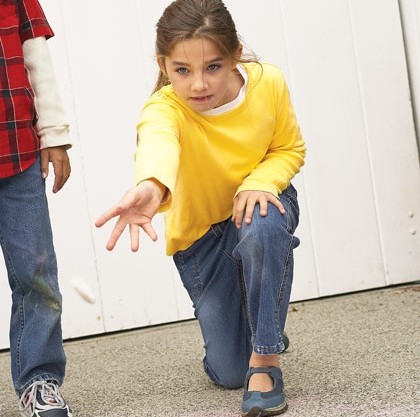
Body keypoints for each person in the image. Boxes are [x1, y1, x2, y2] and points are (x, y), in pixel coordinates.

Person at [96, 0, 306, 415]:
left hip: (260, 210)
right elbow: (159, 145)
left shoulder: (269, 84)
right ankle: (259, 329)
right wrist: (152, 187)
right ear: (164, 65)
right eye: (182, 71)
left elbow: (288, 148)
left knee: (263, 221)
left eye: (213, 66)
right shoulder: (163, 109)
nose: (198, 85)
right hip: (203, 238)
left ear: (234, 55)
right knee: (228, 373)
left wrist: (260, 181)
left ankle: (265, 360)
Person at [0, 0, 73, 416]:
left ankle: (39, 379)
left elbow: (38, 65)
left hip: (17, 154)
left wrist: (54, 133)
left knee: (36, 272)